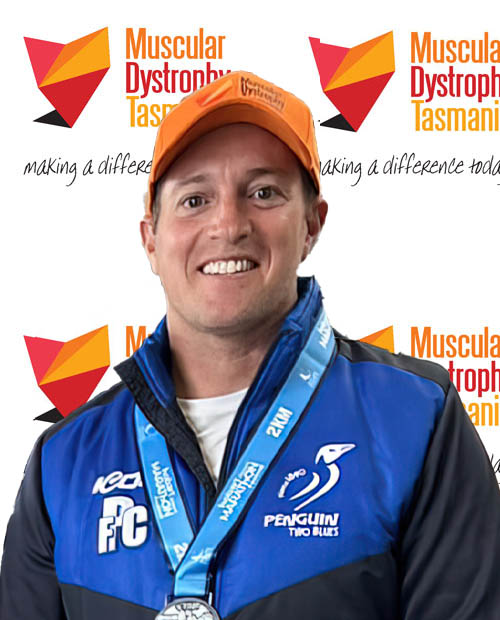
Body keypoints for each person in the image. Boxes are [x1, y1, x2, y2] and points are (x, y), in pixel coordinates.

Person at [1, 71, 499, 620]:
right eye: (195, 199)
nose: (228, 224)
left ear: (311, 224)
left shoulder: (416, 419)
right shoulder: (63, 462)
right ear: (151, 239)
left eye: (263, 193)